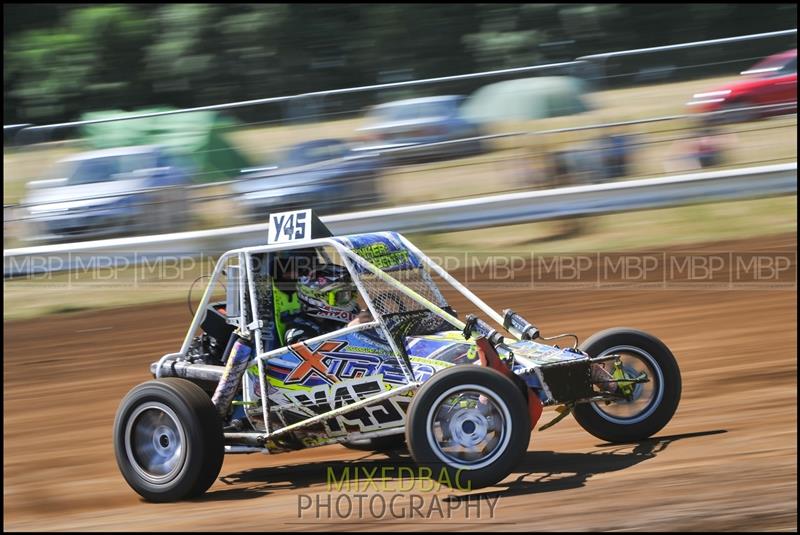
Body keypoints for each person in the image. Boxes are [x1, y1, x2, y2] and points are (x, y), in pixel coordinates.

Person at [283, 264, 371, 345]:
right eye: (343, 296)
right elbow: (312, 359)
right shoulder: (298, 331)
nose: (351, 300)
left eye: (351, 293)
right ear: (316, 299)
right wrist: (348, 331)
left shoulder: (341, 319)